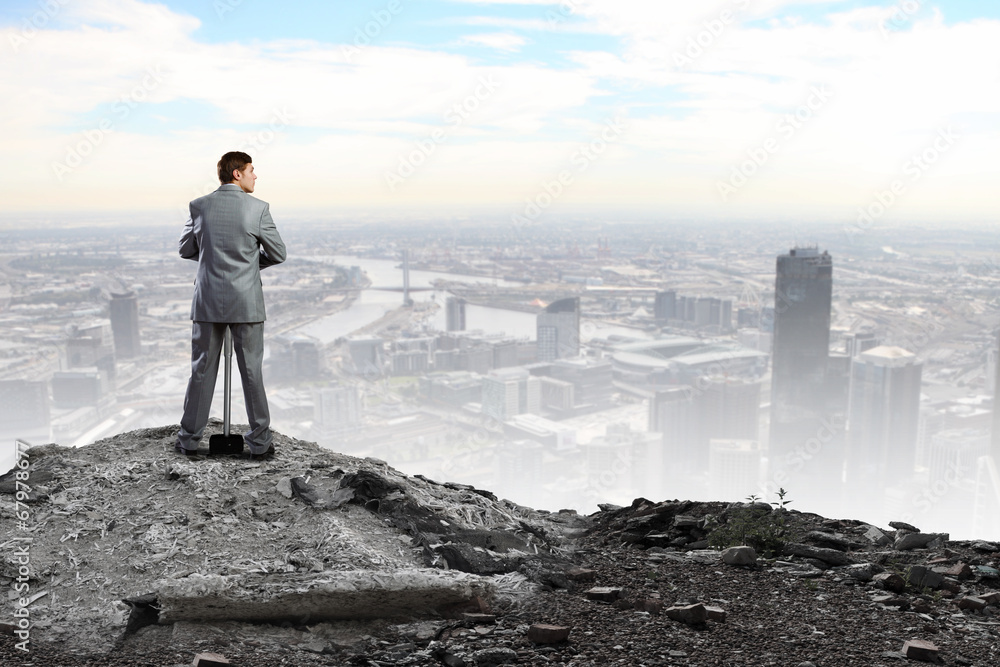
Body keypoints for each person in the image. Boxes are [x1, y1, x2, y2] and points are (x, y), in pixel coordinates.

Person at [175, 151, 286, 459]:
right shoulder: (259, 209)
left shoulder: (199, 206)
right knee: (251, 371)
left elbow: (186, 249)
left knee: (201, 370)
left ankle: (189, 441)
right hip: (246, 301)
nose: (255, 176)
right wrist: (248, 265)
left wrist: (214, 261)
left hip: (208, 299)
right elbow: (278, 253)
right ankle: (260, 444)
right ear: (237, 173)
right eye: (251, 170)